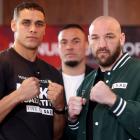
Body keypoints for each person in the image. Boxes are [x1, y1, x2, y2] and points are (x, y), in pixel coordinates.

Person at [67, 16, 140, 140]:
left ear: (122, 39)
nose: (102, 44)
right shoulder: (87, 82)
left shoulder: (137, 71)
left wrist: (114, 101)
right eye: (95, 38)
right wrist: (72, 121)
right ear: (89, 40)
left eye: (109, 36)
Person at [0, 2, 65, 140]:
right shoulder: (2, 63)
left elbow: (57, 135)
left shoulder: (53, 73)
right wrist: (18, 95)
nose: (33, 29)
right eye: (26, 23)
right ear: (13, 25)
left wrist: (59, 108)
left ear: (44, 29)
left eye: (39, 24)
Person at [58, 24, 93, 104]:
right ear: (58, 47)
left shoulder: (98, 79)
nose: (69, 47)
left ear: (87, 45)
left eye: (76, 41)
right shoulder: (49, 80)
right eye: (64, 42)